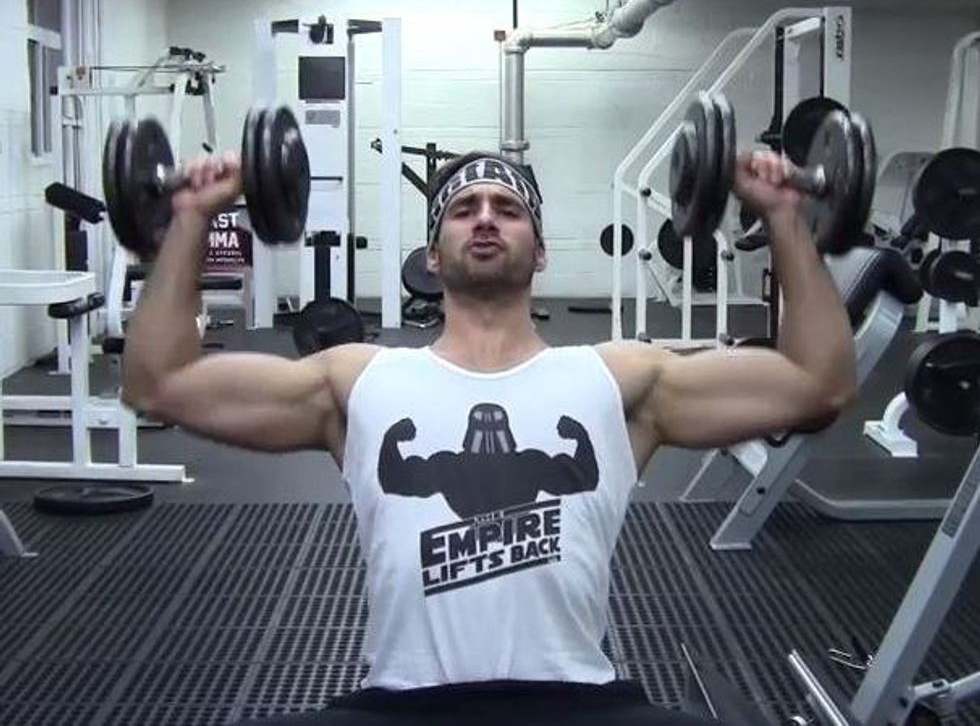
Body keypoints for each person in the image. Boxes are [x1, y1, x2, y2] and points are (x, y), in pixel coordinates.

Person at [121, 147, 856, 726]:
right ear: (430, 256)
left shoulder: (619, 379)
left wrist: (785, 217)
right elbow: (160, 383)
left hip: (579, 701)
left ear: (540, 251)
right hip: (402, 705)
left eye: (507, 209)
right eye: (463, 209)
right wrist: (189, 218)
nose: (484, 219)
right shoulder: (359, 379)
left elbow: (816, 385)